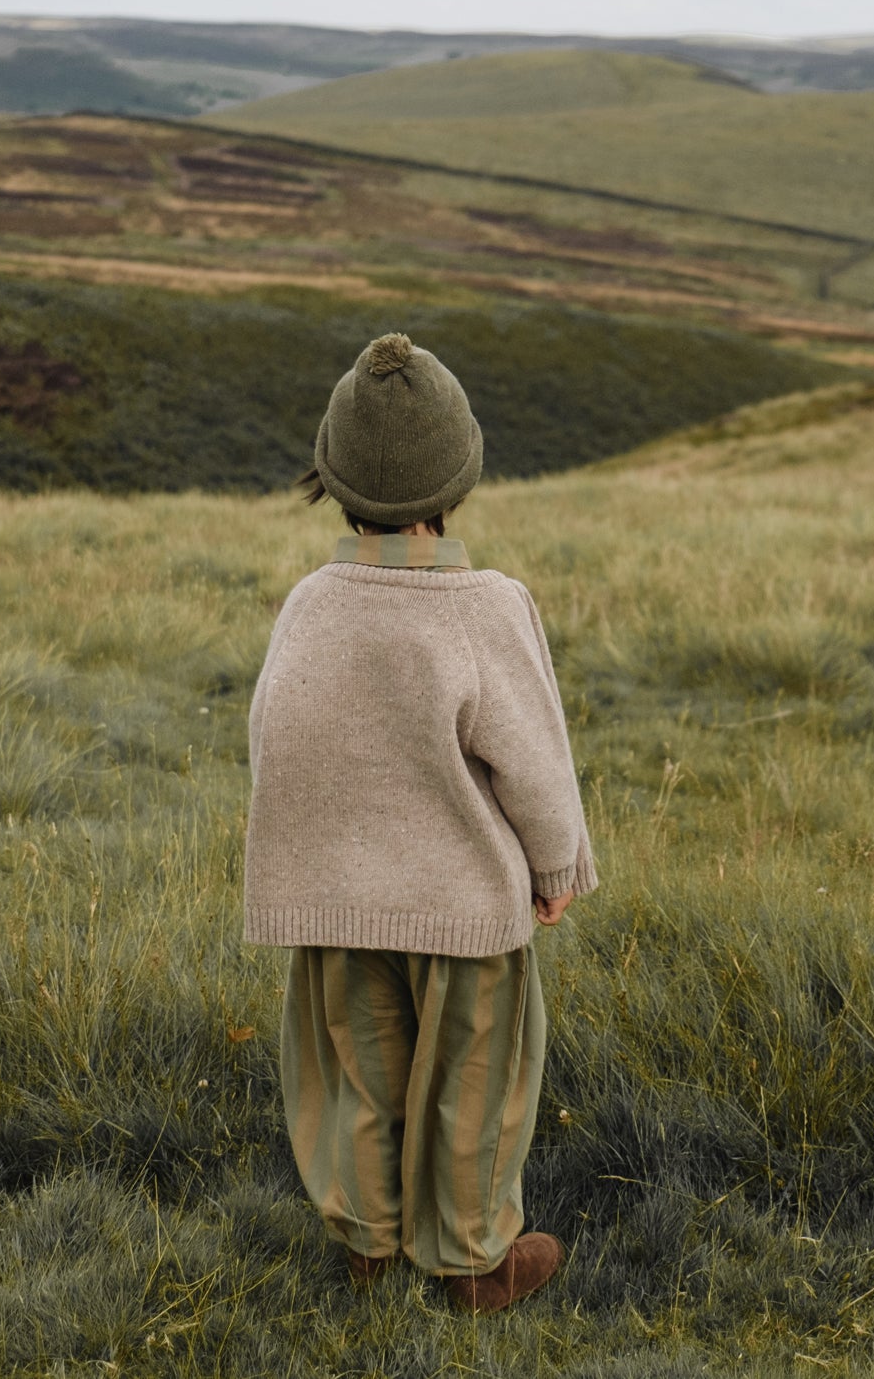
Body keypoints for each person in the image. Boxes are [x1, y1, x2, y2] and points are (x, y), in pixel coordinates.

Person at [243, 331, 597, 1313]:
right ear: (458, 474)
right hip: (465, 913)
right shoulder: (488, 605)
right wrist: (556, 869)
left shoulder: (311, 605)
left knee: (356, 1079)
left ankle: (368, 1249)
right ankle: (475, 1264)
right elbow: (533, 760)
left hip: (335, 906)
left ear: (337, 474)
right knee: (474, 1090)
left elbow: (275, 737)